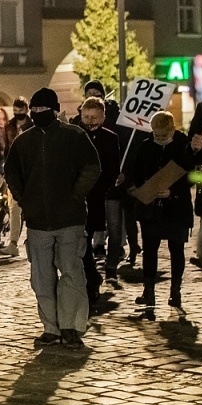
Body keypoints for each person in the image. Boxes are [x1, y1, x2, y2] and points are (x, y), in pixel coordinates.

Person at [4, 88, 100, 348]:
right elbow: (11, 172)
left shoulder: (74, 135)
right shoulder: (23, 141)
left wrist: (75, 195)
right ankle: (51, 327)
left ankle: (70, 327)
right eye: (33, 110)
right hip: (38, 222)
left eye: (41, 110)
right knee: (41, 278)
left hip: (70, 218)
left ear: (54, 109)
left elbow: (92, 168)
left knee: (71, 273)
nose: (36, 114)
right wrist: (25, 200)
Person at [121, 111, 195, 312]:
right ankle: (149, 291)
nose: (160, 139)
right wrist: (139, 188)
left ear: (172, 129)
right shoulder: (146, 146)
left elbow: (193, 175)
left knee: (176, 250)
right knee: (150, 250)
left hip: (176, 208)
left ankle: (175, 291)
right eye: (156, 135)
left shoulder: (184, 147)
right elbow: (137, 173)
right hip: (151, 209)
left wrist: (173, 191)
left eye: (164, 135)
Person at [77, 98, 122, 311]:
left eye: (94, 118)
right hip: (76, 197)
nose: (89, 121)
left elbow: (112, 169)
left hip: (95, 197)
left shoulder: (110, 139)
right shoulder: (74, 134)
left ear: (103, 117)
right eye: (86, 117)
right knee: (81, 239)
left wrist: (98, 186)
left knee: (85, 238)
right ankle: (90, 278)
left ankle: (91, 278)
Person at [0, 96, 31, 256]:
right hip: (14, 171)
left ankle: (32, 240)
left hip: (30, 171)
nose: (18, 114)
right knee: (14, 208)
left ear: (26, 110)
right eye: (16, 111)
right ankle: (13, 243)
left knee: (32, 208)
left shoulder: (33, 125)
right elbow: (6, 148)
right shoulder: (9, 126)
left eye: (21, 111)